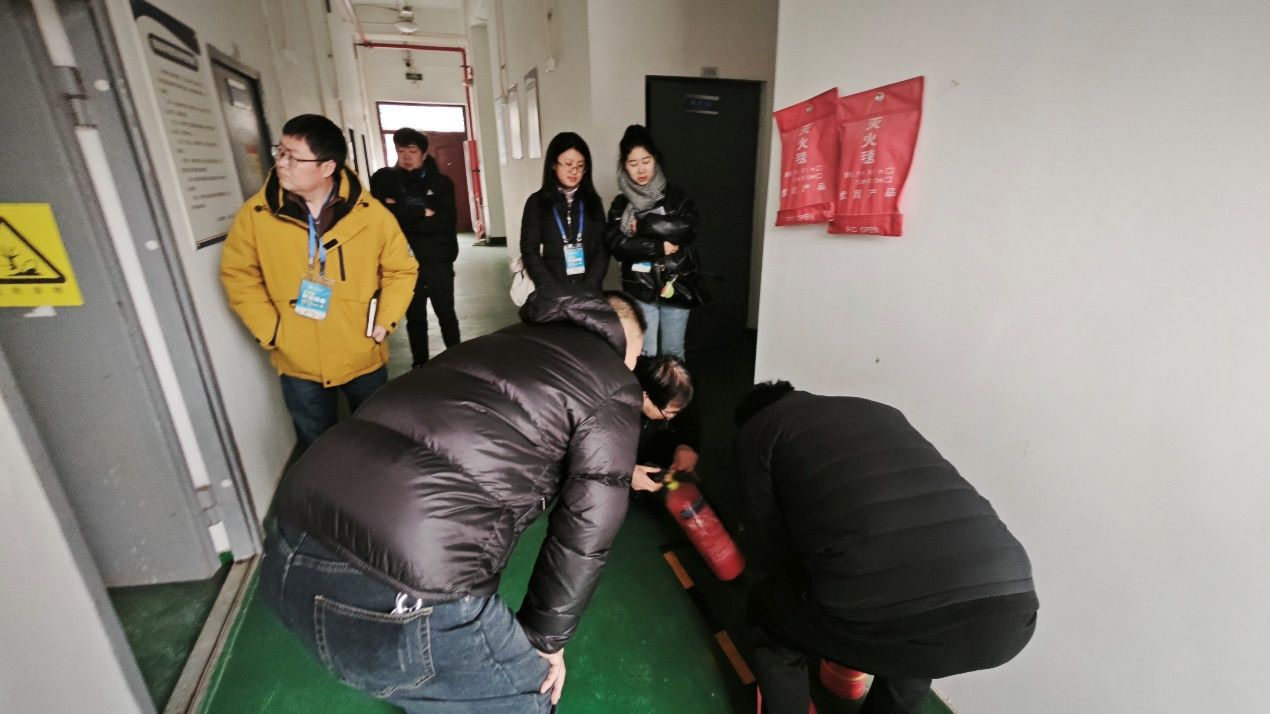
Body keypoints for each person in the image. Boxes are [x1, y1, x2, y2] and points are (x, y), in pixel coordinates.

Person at [258, 286, 686, 713]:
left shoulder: (501, 341)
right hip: (405, 581)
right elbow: (587, 528)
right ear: (625, 343)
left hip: (289, 543)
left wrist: (620, 472)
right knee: (531, 696)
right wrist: (544, 641)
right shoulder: (613, 378)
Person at [733, 382, 1039, 714]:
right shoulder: (880, 411)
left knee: (768, 611)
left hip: (893, 615)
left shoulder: (759, 428)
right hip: (1013, 617)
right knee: (918, 626)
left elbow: (765, 543)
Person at [220, 114, 417, 451]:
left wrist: (384, 322)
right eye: (280, 152)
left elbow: (401, 270)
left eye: (294, 158)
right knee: (316, 447)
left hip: (361, 352)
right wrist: (272, 331)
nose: (281, 163)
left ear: (327, 167)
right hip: (298, 360)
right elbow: (239, 274)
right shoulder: (257, 215)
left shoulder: (371, 216)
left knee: (376, 440)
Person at [605, 124, 704, 360]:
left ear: (655, 159)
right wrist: (659, 246)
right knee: (645, 353)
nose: (641, 169)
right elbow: (617, 245)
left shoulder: (675, 196)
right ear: (624, 165)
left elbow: (687, 228)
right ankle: (647, 387)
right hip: (639, 286)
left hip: (675, 283)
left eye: (646, 161)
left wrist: (644, 226)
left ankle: (674, 387)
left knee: (673, 354)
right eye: (633, 163)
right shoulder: (620, 204)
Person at [369, 128, 461, 367]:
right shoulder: (386, 180)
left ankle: (458, 362)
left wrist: (401, 212)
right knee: (415, 318)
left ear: (424, 153)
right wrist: (422, 212)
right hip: (405, 263)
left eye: (412, 151)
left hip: (438, 260)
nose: (406, 156)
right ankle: (420, 365)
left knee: (446, 314)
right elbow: (383, 218)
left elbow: (444, 223)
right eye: (401, 151)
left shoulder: (441, 183)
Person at [520, 132, 609, 293]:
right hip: (550, 293)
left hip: (588, 292)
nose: (574, 171)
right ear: (554, 164)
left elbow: (602, 250)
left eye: (580, 166)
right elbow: (529, 251)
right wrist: (549, 288)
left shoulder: (593, 203)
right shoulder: (537, 203)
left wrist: (591, 285)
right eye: (568, 164)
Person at [628, 356, 701, 493]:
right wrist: (627, 472)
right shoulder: (613, 411)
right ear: (645, 397)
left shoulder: (672, 383)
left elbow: (689, 413)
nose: (671, 417)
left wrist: (686, 444)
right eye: (669, 412)